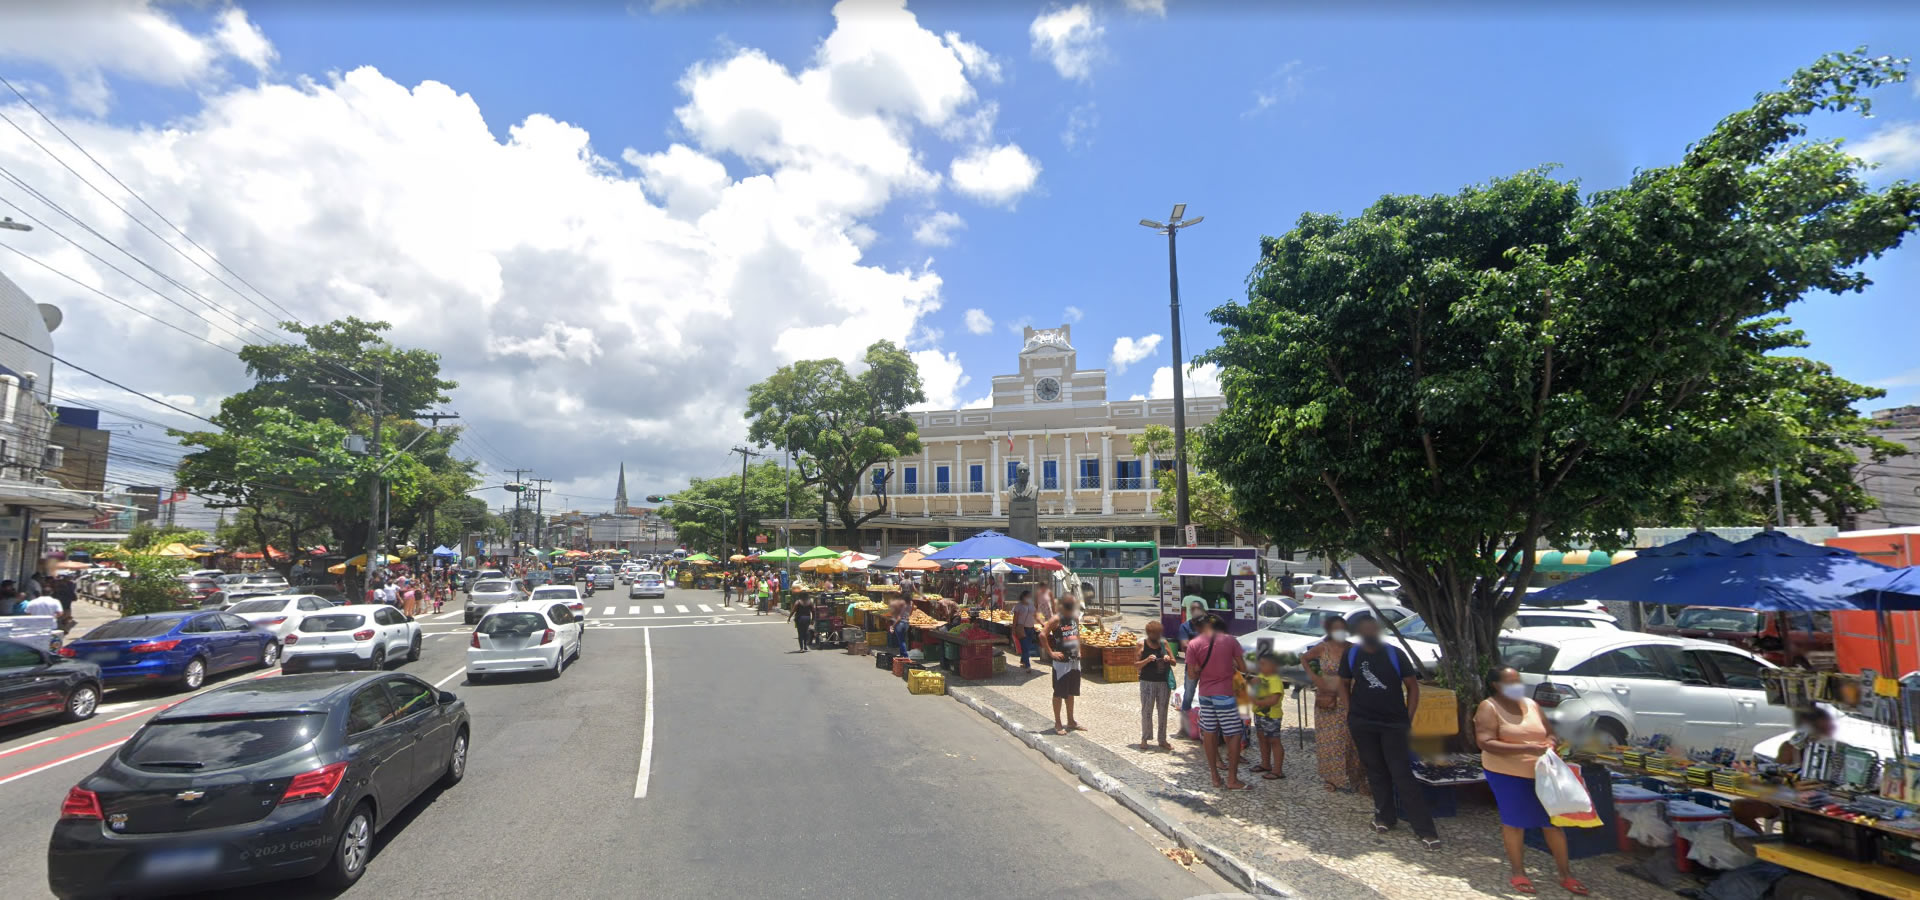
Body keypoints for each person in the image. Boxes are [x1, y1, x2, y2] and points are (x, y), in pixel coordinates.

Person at [1476, 666, 1583, 895]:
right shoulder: (1489, 707)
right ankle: (1518, 873)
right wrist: (1525, 748)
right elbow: (1485, 742)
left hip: (1541, 773)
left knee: (1552, 824)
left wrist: (1550, 743)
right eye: (1510, 682)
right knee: (1515, 823)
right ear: (1496, 685)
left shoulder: (1532, 705)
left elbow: (1550, 732)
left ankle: (1566, 874)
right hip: (1506, 773)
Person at [1340, 612, 1440, 850]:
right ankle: (1384, 816)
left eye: (1372, 628)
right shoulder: (1352, 654)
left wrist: (1408, 716)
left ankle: (1425, 829)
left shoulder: (1395, 654)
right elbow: (1343, 683)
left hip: (1394, 723)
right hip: (1363, 723)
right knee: (1375, 770)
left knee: (1401, 774)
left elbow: (1412, 687)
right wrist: (1350, 710)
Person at [1731, 707, 1838, 834]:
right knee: (1739, 807)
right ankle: (1759, 845)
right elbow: (1777, 777)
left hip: (1817, 803)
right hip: (1787, 800)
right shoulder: (1789, 747)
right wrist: (1756, 775)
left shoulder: (1833, 750)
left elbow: (1834, 788)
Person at [1303, 614, 1367, 793]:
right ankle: (1331, 779)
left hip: (1350, 699)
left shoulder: (1353, 649)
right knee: (1329, 742)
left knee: (1353, 740)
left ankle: (1358, 778)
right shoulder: (1322, 648)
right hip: (1328, 701)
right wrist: (1315, 678)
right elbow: (1304, 658)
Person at [1188, 614, 1250, 790]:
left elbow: (1192, 675)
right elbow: (1243, 668)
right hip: (1224, 694)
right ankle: (1232, 779)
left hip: (1205, 694)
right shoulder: (1230, 641)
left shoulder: (1193, 644)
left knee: (1209, 733)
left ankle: (1215, 777)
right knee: (1234, 734)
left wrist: (1201, 669)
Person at [1036, 593, 1084, 735]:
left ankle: (1071, 720)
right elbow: (1042, 635)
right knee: (1059, 693)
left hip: (1074, 660)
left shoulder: (1074, 617)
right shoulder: (1056, 619)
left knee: (1071, 692)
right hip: (1061, 661)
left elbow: (1077, 634)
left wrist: (1079, 650)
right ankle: (1058, 722)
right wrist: (1051, 653)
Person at [1133, 618, 1176, 751]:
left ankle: (1162, 739)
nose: (1158, 637)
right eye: (1155, 634)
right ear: (1149, 634)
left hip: (1163, 682)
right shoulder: (1141, 644)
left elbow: (1174, 661)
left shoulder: (1164, 643)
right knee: (1147, 711)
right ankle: (1145, 738)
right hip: (1147, 682)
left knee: (1163, 711)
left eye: (1159, 634)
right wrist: (1146, 660)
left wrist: (1169, 659)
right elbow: (1135, 665)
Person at [1173, 597, 1210, 740]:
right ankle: (1184, 728)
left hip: (1208, 665)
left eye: (1197, 609)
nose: (1195, 612)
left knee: (1207, 695)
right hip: (1192, 666)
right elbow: (1185, 645)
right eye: (1192, 609)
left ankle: (1206, 728)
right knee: (1188, 694)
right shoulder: (1185, 626)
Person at [1250, 651, 1287, 779]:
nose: (1260, 667)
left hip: (1271, 716)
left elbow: (1273, 700)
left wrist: (1257, 701)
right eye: (1259, 664)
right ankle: (1265, 763)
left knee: (1274, 740)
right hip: (1259, 714)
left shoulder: (1275, 680)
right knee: (1262, 738)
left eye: (1264, 664)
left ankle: (1278, 770)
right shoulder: (1261, 676)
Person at [1011, 590, 1038, 669]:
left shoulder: (1031, 605)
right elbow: (1015, 618)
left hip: (1031, 628)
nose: (1030, 598)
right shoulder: (1018, 606)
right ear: (1023, 597)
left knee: (1028, 646)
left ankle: (1023, 660)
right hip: (1022, 629)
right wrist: (1013, 629)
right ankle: (1028, 665)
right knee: (1025, 647)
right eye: (1028, 596)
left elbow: (1035, 615)